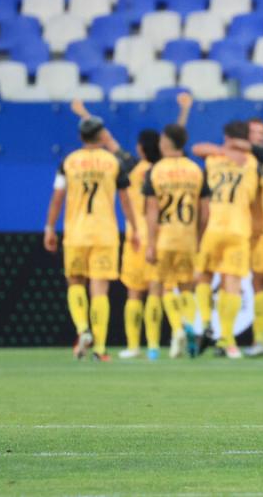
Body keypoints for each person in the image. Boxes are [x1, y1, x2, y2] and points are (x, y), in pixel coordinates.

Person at [69, 93, 194, 360]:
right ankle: (167, 336)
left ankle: (137, 346)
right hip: (163, 235)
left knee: (135, 293)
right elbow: (178, 136)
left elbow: (105, 139)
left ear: (140, 149)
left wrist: (84, 114)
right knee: (163, 289)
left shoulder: (133, 168)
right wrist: (184, 110)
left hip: (136, 237)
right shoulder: (164, 170)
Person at [43, 115, 138, 361]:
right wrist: (135, 229)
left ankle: (82, 328)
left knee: (75, 283)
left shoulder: (69, 162)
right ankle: (100, 348)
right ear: (101, 136)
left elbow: (57, 197)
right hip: (105, 233)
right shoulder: (113, 162)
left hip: (76, 233)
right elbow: (126, 200)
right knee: (100, 291)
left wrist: (49, 228)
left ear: (80, 137)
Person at [143, 124, 210, 359]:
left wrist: (150, 243)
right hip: (187, 238)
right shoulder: (196, 170)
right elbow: (205, 211)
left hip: (163, 238)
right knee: (186, 288)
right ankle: (188, 324)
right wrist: (199, 238)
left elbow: (151, 211)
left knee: (156, 288)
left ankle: (152, 347)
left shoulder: (155, 171)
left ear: (166, 142)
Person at [194, 121, 259, 359]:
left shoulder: (213, 159)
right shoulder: (252, 162)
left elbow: (197, 148)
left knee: (204, 275)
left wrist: (223, 149)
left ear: (226, 137)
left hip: (214, 226)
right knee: (231, 284)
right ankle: (228, 340)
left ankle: (205, 321)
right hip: (239, 228)